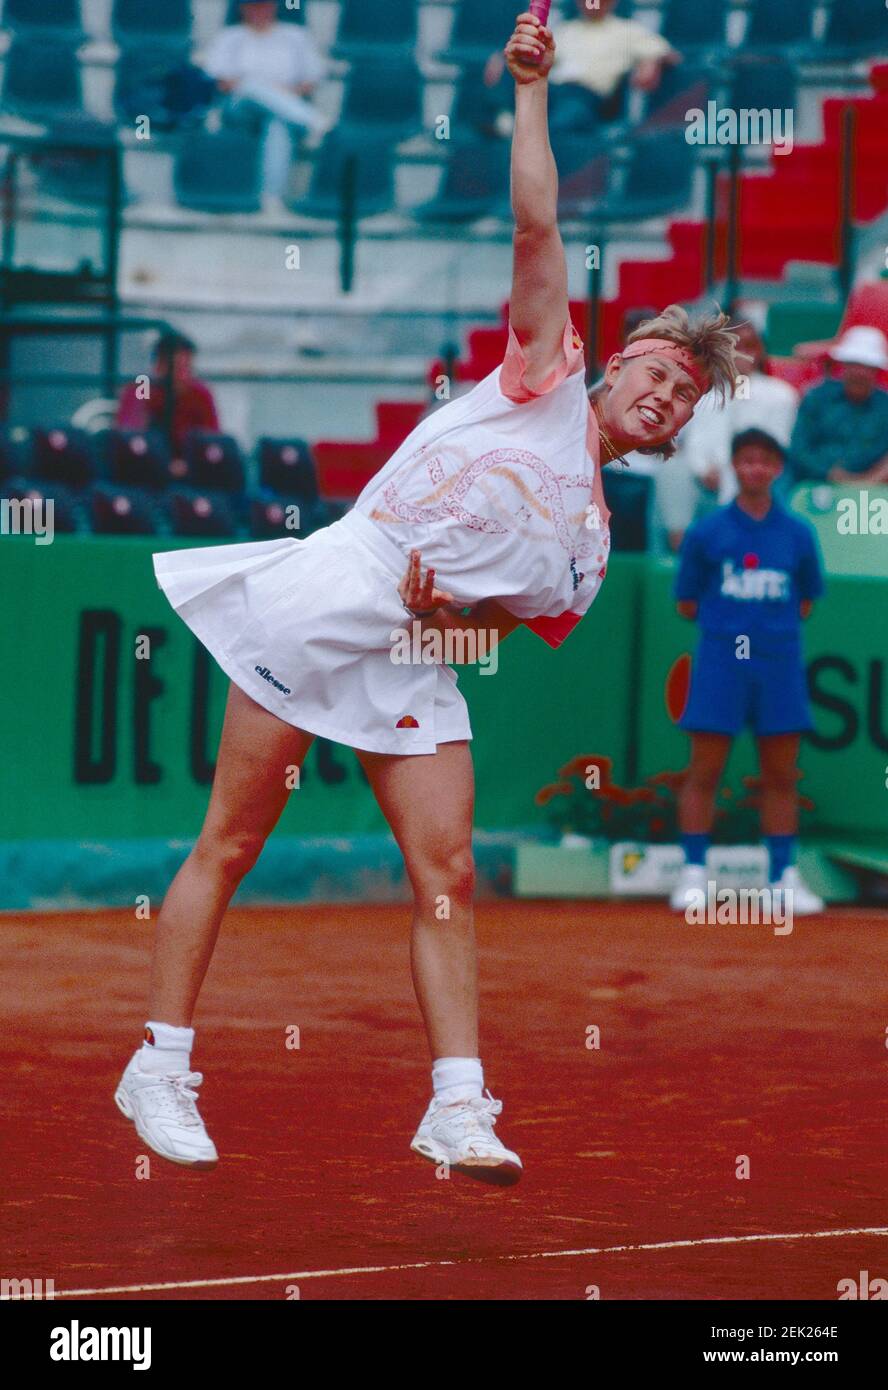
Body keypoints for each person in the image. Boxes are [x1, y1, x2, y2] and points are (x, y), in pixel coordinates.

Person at [114, 12, 739, 1185]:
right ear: (614, 365)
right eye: (655, 370)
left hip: (411, 646)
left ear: (673, 436)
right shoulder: (542, 370)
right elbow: (538, 220)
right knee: (234, 839)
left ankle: (457, 1105)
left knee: (447, 869)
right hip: (329, 591)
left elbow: (493, 631)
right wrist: (532, 89)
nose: (661, 395)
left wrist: (444, 610)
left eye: (681, 399)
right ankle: (159, 1062)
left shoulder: (592, 553)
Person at [669, 428, 825, 916]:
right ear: (735, 467)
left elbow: (804, 601)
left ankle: (783, 878)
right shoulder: (707, 531)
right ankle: (694, 874)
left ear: (778, 469)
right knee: (704, 771)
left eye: (765, 461)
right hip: (721, 664)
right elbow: (687, 602)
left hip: (778, 664)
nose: (755, 469)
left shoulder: (798, 532)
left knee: (782, 775)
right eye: (746, 460)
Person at [484, 0, 680, 138]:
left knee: (570, 112)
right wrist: (501, 56)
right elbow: (536, 54)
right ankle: (505, 121)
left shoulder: (629, 30)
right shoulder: (565, 29)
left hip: (589, 98)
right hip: (554, 91)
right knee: (515, 70)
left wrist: (651, 62)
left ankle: (515, 130)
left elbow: (670, 54)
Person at [203, 0, 329, 212]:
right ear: (242, 9)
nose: (258, 11)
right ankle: (313, 120)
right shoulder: (230, 37)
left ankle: (271, 196)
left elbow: (310, 81)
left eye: (263, 5)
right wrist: (269, 90)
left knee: (278, 124)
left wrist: (279, 95)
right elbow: (222, 82)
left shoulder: (295, 35)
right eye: (252, 6)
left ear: (273, 7)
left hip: (285, 105)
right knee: (251, 86)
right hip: (240, 109)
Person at [683, 319, 800, 506]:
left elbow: (779, 444)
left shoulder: (781, 394)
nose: (741, 354)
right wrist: (703, 470)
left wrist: (742, 380)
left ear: (760, 351)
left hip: (763, 479)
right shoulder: (707, 397)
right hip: (710, 485)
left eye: (749, 347)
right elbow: (696, 442)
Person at [787, 326, 888, 486]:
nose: (859, 373)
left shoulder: (885, 406)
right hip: (813, 483)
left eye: (867, 367)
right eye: (854, 364)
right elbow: (799, 449)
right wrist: (830, 474)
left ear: (877, 370)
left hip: (873, 490)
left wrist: (871, 480)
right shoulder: (816, 398)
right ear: (843, 365)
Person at [115, 331, 219, 456]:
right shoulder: (143, 386)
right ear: (159, 366)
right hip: (148, 461)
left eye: (188, 368)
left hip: (190, 466)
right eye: (178, 368)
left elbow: (212, 438)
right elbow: (132, 432)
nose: (185, 376)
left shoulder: (199, 393)